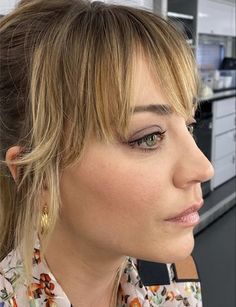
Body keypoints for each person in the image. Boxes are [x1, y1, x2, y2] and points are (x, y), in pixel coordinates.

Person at [0, 0, 214, 306]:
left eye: (188, 126)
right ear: (37, 177)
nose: (203, 168)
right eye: (149, 137)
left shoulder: (174, 282)